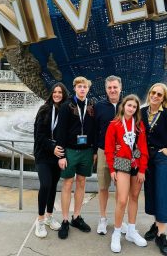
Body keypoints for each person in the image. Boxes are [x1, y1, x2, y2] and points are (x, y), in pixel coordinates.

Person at [141, 83, 167, 256]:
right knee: (151, 192)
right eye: (153, 92)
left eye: (159, 94)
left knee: (163, 194)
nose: (155, 96)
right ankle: (156, 224)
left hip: (161, 159)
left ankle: (161, 235)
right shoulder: (142, 112)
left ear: (163, 98)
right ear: (149, 93)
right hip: (146, 158)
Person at [105, 94, 149, 253]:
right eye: (129, 105)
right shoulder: (114, 124)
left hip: (137, 164)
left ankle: (131, 231)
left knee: (135, 197)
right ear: (123, 106)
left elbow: (143, 148)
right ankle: (117, 233)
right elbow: (109, 149)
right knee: (122, 200)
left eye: (134, 106)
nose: (131, 108)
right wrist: (111, 169)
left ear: (137, 109)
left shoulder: (139, 125)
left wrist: (143, 169)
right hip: (122, 164)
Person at [56, 76, 96, 240]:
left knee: (81, 182)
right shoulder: (66, 106)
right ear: (74, 88)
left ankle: (76, 217)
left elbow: (94, 129)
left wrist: (93, 151)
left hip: (86, 150)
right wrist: (62, 155)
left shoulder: (92, 106)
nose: (82, 89)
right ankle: (65, 219)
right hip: (71, 150)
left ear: (88, 89)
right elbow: (60, 130)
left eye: (85, 87)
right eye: (79, 86)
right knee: (67, 183)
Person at [33, 82, 69, 238]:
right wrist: (51, 147)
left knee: (53, 186)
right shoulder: (44, 110)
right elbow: (39, 135)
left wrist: (61, 152)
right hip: (43, 154)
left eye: (60, 92)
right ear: (51, 94)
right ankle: (40, 220)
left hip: (57, 155)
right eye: (55, 92)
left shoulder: (65, 111)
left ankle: (49, 216)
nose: (57, 95)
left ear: (64, 95)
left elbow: (67, 135)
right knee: (45, 185)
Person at [94, 75, 127, 235]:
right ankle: (102, 219)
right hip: (103, 152)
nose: (112, 90)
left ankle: (119, 220)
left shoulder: (128, 105)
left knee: (120, 190)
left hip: (122, 154)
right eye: (109, 88)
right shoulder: (99, 106)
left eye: (115, 87)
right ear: (106, 89)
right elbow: (94, 130)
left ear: (120, 88)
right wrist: (94, 151)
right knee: (103, 187)